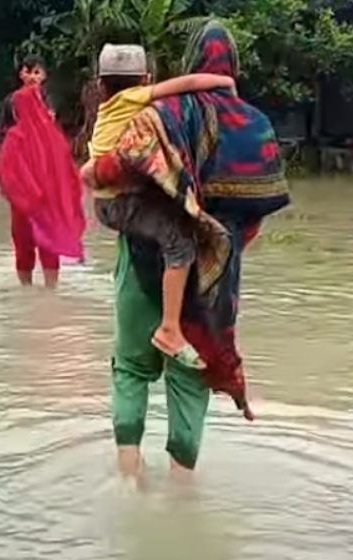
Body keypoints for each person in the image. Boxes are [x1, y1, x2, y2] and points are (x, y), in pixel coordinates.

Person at [86, 21, 290, 482]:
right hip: (209, 279)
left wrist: (91, 173)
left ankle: (127, 480)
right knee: (190, 384)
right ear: (231, 66)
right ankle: (181, 496)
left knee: (131, 371)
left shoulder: (161, 114)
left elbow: (110, 171)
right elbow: (255, 212)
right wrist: (221, 247)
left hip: (140, 263)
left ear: (190, 61)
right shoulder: (257, 125)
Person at [80, 44, 235, 370]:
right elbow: (186, 84)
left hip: (107, 203)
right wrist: (223, 83)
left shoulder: (106, 109)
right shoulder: (137, 99)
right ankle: (169, 328)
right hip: (124, 201)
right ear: (146, 79)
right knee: (180, 242)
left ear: (99, 85)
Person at [0, 86, 86, 289]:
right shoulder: (52, 135)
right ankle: (50, 292)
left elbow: (7, 174)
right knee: (49, 247)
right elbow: (67, 171)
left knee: (24, 248)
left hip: (24, 205)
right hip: (48, 203)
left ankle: (27, 291)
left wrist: (24, 195)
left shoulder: (15, 136)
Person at [0, 55, 54, 148]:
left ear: (44, 75)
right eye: (27, 72)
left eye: (36, 72)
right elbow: (3, 131)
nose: (32, 77)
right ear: (21, 75)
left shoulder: (48, 100)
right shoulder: (11, 100)